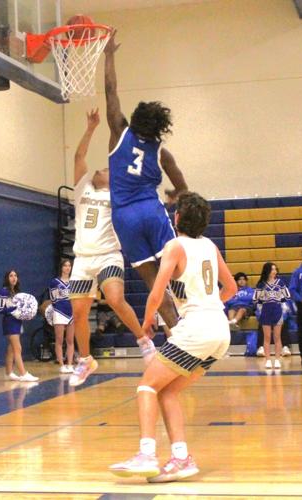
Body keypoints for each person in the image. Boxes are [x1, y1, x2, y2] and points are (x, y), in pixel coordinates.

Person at [109, 192, 237, 482]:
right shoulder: (210, 246)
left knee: (146, 387)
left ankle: (146, 454)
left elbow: (157, 290)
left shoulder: (175, 246)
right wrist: (208, 304)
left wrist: (146, 320)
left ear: (176, 218)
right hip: (219, 330)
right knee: (168, 391)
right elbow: (230, 289)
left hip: (196, 329)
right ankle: (181, 458)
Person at [104, 31, 188, 330]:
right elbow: (182, 186)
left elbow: (111, 91)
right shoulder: (161, 151)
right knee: (178, 271)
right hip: (151, 211)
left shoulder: (119, 132)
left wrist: (109, 54)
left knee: (154, 282)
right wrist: (176, 194)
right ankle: (192, 318)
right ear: (159, 127)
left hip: (124, 217)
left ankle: (177, 335)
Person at [68, 109, 155, 387]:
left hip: (108, 255)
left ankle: (144, 342)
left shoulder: (118, 195)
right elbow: (79, 157)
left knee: (115, 298)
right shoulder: (83, 188)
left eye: (105, 170)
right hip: (82, 258)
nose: (100, 169)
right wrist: (91, 128)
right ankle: (85, 360)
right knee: (79, 313)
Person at [0, 270, 38, 382]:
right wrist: (14, 309)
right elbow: (1, 309)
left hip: (17, 321)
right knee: (17, 348)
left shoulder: (16, 292)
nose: (13, 278)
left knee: (11, 349)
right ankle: (23, 373)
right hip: (9, 322)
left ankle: (8, 373)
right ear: (7, 278)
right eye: (11, 276)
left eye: (15, 275)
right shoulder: (4, 291)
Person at [253, 263, 290, 369]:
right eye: (272, 269)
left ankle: (277, 359)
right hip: (266, 311)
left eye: (275, 269)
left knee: (277, 337)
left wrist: (283, 305)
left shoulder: (280, 283)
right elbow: (255, 299)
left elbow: (287, 296)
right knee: (267, 337)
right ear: (267, 271)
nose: (275, 271)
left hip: (277, 310)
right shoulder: (261, 284)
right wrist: (260, 304)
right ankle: (268, 360)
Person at [50, 259, 75, 374]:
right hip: (59, 312)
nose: (67, 268)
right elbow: (53, 299)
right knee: (59, 340)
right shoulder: (54, 282)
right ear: (61, 267)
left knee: (70, 340)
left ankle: (70, 364)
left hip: (72, 313)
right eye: (65, 265)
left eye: (69, 266)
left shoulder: (74, 281)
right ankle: (61, 364)